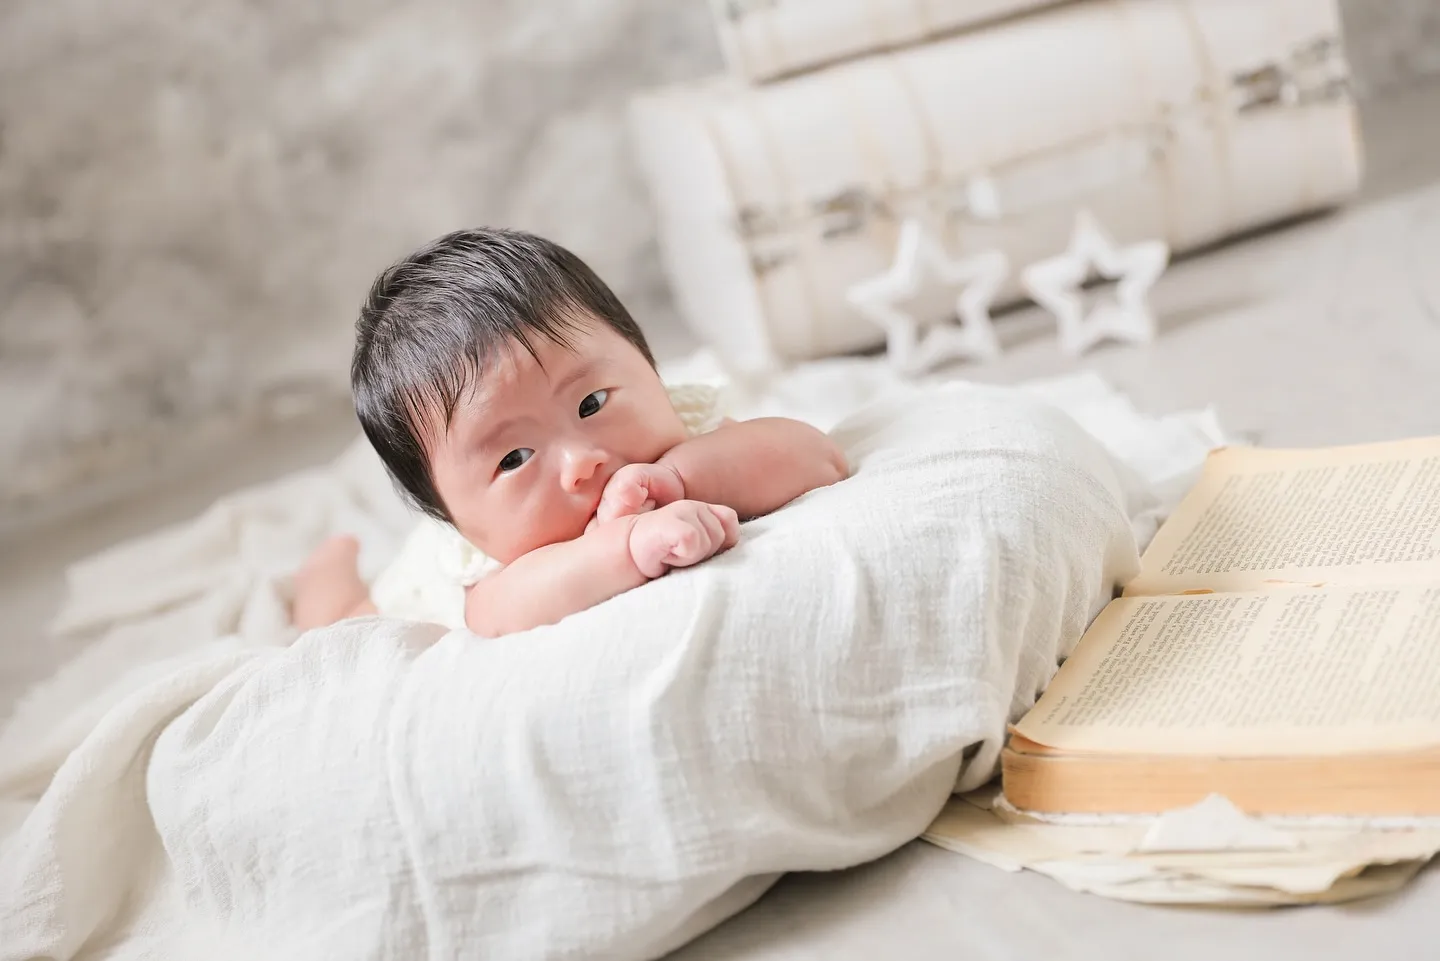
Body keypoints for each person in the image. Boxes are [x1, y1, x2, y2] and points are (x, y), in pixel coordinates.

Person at [291, 227, 848, 637]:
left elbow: (816, 458)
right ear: (456, 517)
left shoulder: (684, 431)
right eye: (514, 458)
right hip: (413, 586)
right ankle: (326, 572)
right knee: (346, 626)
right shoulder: (491, 566)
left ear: (646, 363)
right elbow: (498, 615)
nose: (581, 460)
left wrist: (676, 478)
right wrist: (623, 546)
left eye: (591, 402)